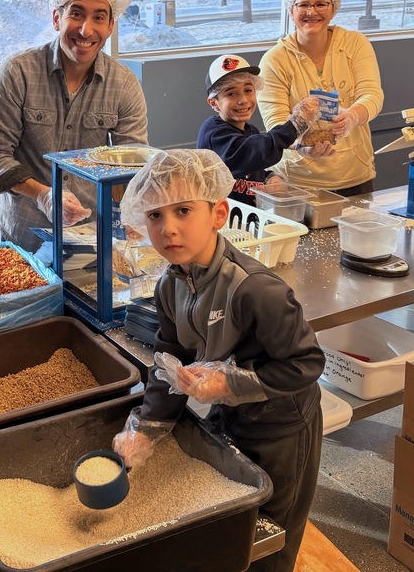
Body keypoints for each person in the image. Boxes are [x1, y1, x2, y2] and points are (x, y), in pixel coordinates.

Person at [112, 148, 324, 572]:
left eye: (183, 210)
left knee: (270, 535)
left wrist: (230, 385)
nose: (168, 228)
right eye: (154, 215)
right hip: (227, 418)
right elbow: (170, 359)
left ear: (218, 213)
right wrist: (148, 429)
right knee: (233, 524)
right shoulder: (170, 285)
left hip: (281, 427)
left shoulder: (255, 290)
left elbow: (305, 364)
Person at [0, 0, 149, 253]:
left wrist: (130, 214)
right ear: (57, 19)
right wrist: (44, 195)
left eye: (98, 18)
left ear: (110, 27)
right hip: (25, 231)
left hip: (90, 231)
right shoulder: (18, 72)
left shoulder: (124, 84)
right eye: (77, 14)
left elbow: (132, 163)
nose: (85, 30)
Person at [257, 0, 385, 196]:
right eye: (303, 4)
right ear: (291, 11)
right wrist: (301, 146)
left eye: (320, 4)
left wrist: (353, 116)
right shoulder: (275, 60)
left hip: (354, 176)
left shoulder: (355, 44)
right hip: (297, 182)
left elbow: (372, 95)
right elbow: (275, 122)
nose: (311, 12)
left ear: (333, 8)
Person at [196, 53, 320, 205]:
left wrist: (269, 177)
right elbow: (254, 152)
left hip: (250, 218)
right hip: (223, 220)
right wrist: (297, 123)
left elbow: (251, 169)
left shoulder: (251, 132)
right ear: (214, 103)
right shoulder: (215, 133)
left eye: (248, 90)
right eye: (231, 93)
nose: (243, 100)